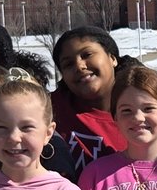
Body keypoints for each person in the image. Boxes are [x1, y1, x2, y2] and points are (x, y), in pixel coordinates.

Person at [51, 26, 139, 169]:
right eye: (68, 64)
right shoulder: (48, 109)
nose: (79, 66)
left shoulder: (143, 111)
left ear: (112, 58)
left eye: (87, 55)